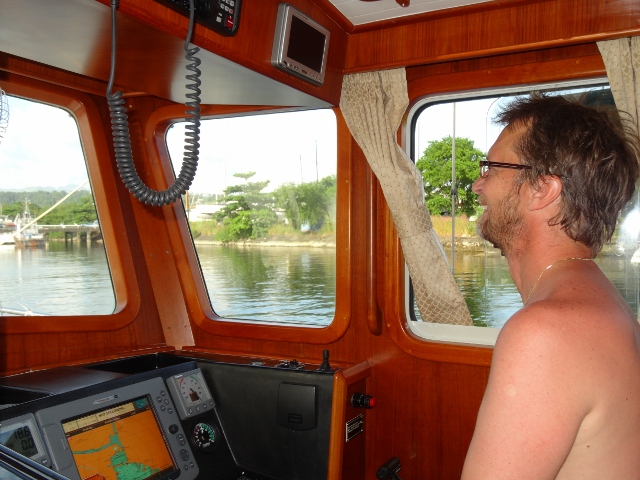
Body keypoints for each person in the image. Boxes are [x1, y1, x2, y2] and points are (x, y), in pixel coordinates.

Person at [461, 93, 640, 479]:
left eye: (491, 168)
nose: (477, 185)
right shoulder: (607, 304)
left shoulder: (545, 333)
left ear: (542, 189)